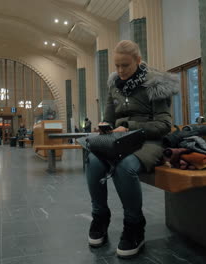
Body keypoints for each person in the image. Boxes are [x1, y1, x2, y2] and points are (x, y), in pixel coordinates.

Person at [85, 40, 178, 258]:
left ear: (138, 60)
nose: (120, 71)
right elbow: (108, 118)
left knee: (124, 166)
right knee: (93, 159)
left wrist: (128, 126)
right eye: (116, 66)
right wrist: (104, 127)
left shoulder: (155, 84)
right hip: (120, 139)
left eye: (125, 65)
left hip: (148, 140)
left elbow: (164, 125)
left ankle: (134, 225)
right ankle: (100, 216)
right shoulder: (114, 85)